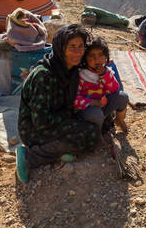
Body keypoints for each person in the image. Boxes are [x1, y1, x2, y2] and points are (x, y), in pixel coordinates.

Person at [15, 24, 99, 183]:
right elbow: (41, 121)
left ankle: (57, 152)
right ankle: (29, 157)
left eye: (81, 46)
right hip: (34, 129)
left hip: (57, 120)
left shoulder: (71, 69)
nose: (78, 51)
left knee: (93, 134)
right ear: (61, 49)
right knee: (89, 134)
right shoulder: (44, 75)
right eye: (72, 47)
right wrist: (69, 115)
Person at [75, 37, 129, 133]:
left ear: (106, 56)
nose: (97, 59)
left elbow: (114, 89)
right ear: (85, 57)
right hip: (87, 110)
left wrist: (104, 75)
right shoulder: (82, 75)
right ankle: (97, 135)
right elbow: (74, 99)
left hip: (103, 107)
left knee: (122, 96)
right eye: (92, 56)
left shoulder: (106, 71)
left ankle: (119, 119)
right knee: (96, 115)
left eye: (101, 55)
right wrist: (92, 102)